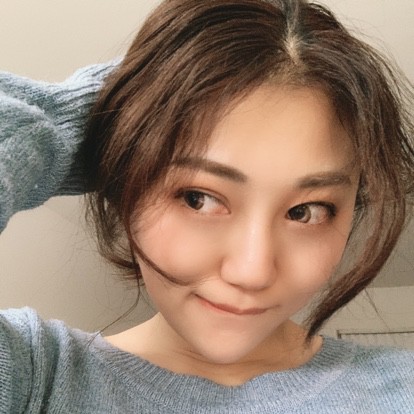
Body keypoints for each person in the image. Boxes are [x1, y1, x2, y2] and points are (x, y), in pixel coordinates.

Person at [1, 0, 413, 412]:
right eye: (199, 199)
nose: (252, 272)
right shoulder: (35, 379)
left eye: (305, 211)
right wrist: (109, 112)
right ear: (127, 183)